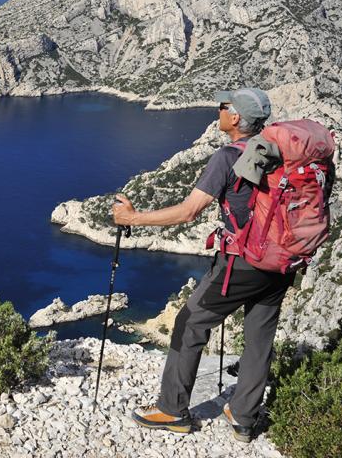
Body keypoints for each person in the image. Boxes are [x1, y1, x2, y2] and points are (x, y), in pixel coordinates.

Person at [112, 88, 295, 443]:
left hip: (243, 264)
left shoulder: (228, 157)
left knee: (190, 323)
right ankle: (243, 418)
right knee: (260, 338)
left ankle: (173, 410)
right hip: (283, 261)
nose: (219, 110)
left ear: (236, 118)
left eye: (224, 107)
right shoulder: (279, 153)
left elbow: (188, 212)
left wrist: (133, 217)